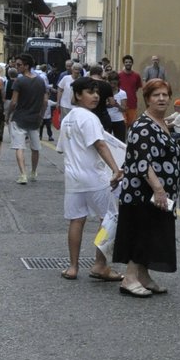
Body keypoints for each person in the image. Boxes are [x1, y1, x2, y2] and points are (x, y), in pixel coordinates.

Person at [112, 79, 180, 298]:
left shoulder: (161, 122)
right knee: (142, 232)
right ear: (147, 99)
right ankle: (129, 278)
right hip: (143, 193)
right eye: (156, 95)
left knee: (153, 233)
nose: (161, 99)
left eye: (165, 94)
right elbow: (143, 162)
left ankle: (143, 276)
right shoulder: (143, 125)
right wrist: (158, 189)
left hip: (155, 192)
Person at [59, 77, 124, 283]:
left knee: (77, 220)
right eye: (89, 92)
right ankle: (100, 265)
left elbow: (62, 148)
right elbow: (100, 145)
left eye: (96, 92)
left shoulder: (67, 119)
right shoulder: (89, 118)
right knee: (110, 218)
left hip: (73, 179)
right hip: (95, 178)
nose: (95, 96)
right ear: (78, 95)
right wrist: (116, 169)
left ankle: (72, 267)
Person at [8, 53, 47, 184]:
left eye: (19, 65)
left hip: (19, 118)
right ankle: (34, 172)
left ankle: (23, 174)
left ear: (26, 66)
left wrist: (8, 115)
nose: (16, 66)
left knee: (19, 147)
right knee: (35, 147)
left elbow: (13, 102)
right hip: (35, 119)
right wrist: (41, 115)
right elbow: (45, 101)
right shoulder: (41, 81)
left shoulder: (19, 81)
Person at [116, 55, 142, 129]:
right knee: (122, 126)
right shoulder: (119, 75)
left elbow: (136, 88)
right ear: (124, 63)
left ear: (132, 63)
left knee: (132, 126)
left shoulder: (136, 76)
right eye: (126, 62)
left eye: (130, 62)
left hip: (132, 104)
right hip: (121, 105)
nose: (128, 63)